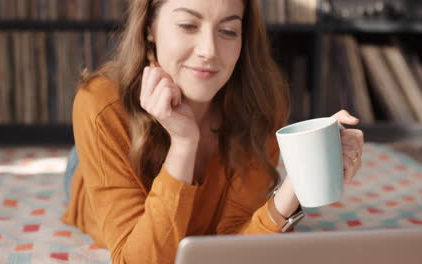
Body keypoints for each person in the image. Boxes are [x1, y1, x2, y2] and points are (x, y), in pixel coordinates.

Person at [61, 0, 365, 263]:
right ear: (149, 27)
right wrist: (183, 145)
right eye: (188, 25)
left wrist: (295, 186)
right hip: (99, 167)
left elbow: (234, 246)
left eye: (228, 30)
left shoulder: (261, 106)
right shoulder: (101, 105)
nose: (209, 51)